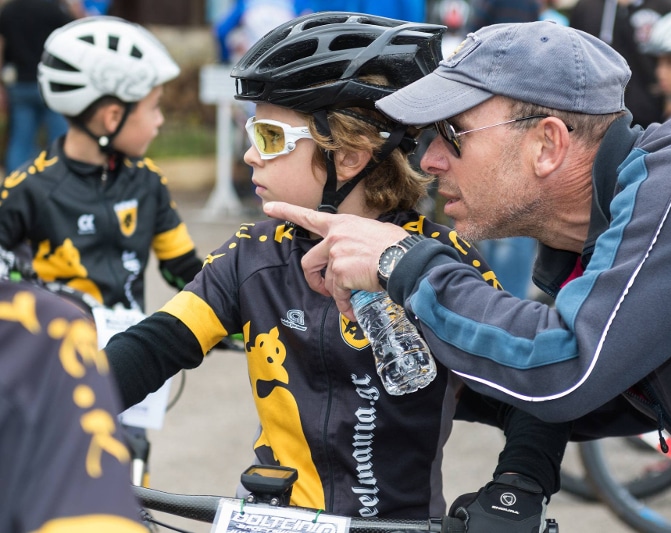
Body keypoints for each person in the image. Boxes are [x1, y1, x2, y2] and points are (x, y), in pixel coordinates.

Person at [264, 21, 671, 532]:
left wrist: (402, 261)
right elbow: (601, 395)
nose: (427, 160)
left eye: (452, 133)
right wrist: (383, 353)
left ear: (547, 144)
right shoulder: (602, 231)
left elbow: (567, 368)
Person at [104, 11, 570, 530]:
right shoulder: (250, 257)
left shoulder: (434, 265)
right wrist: (50, 406)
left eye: (270, 136)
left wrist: (515, 491)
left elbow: (531, 396)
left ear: (347, 155)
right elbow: (151, 346)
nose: (250, 155)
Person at [0, 15, 203, 313]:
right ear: (112, 117)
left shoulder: (148, 181)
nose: (160, 120)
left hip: (127, 353)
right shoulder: (28, 188)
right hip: (57, 353)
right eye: (154, 107)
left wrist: (238, 312)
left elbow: (183, 267)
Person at [0, 275, 147, 532]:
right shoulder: (48, 324)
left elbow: (180, 260)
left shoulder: (48, 325)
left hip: (93, 333)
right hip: (69, 328)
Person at [570, 0, 671, 128]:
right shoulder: (587, 6)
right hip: (598, 114)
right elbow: (574, 56)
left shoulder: (663, 6)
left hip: (652, 111)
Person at [0, 0, 73, 173]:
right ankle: (63, 181)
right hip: (51, 84)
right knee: (60, 140)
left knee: (20, 141)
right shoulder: (54, 9)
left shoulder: (9, 10)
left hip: (20, 84)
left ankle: (14, 188)